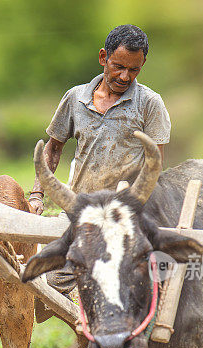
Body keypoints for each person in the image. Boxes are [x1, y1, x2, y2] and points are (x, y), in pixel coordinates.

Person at [29, 24, 170, 216]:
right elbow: (53, 149)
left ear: (142, 63)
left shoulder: (150, 103)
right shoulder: (75, 97)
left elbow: (155, 164)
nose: (124, 76)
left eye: (133, 69)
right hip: (80, 208)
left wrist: (135, 204)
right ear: (103, 57)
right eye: (118, 67)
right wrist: (37, 194)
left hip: (126, 212)